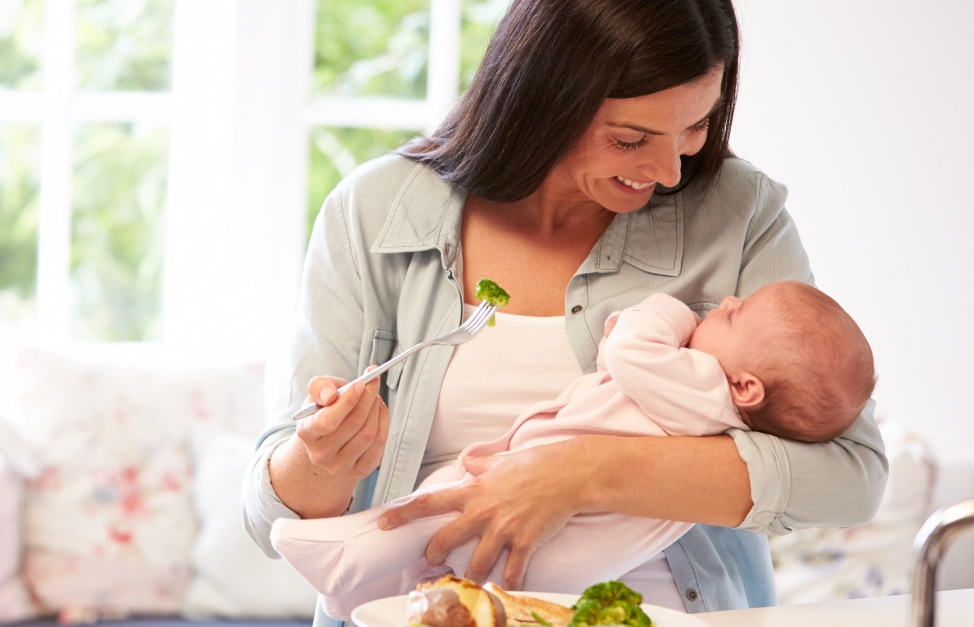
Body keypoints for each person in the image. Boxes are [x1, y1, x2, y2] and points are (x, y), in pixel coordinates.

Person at [242, 0, 888, 625]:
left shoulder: (738, 213)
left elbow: (850, 475)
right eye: (632, 138)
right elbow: (268, 515)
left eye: (694, 128)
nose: (668, 170)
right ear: (541, 101)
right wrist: (324, 460)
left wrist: (579, 473)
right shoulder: (376, 210)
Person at [269, 281, 877, 619]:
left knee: (432, 509)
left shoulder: (703, 384)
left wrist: (662, 308)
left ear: (747, 385)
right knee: (438, 562)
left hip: (556, 516)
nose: (721, 303)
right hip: (582, 559)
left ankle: (341, 557)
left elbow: (631, 351)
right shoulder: (727, 415)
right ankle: (363, 592)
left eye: (735, 315)